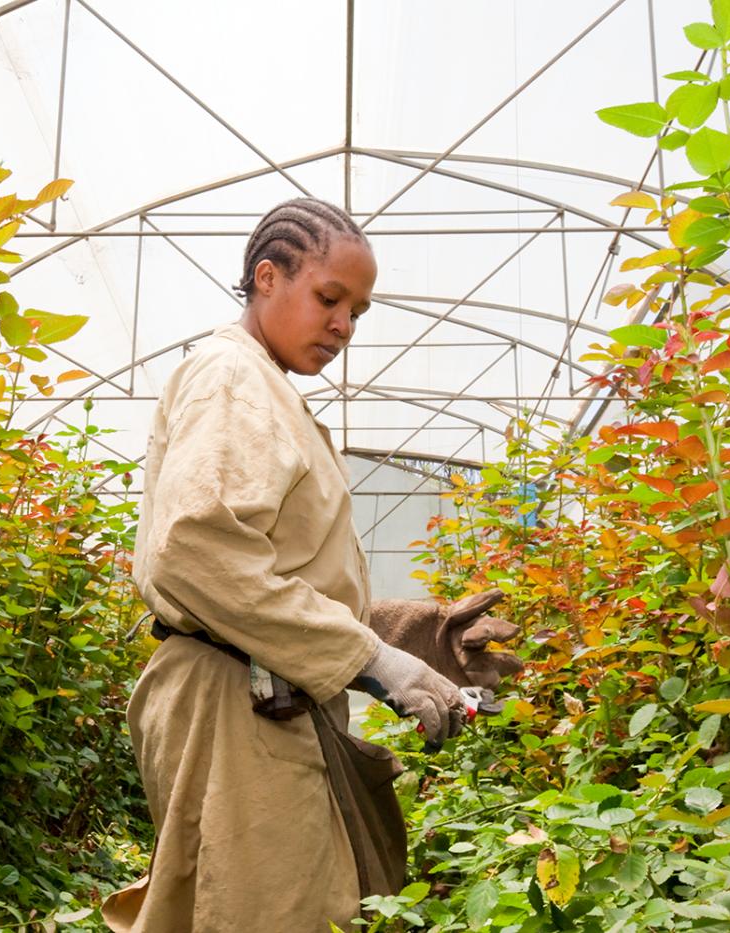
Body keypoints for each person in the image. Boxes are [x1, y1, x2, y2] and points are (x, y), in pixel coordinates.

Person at [101, 198, 522, 933]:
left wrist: (411, 639)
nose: (344, 326)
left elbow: (274, 578)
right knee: (262, 912)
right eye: (329, 298)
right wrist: (371, 658)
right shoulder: (232, 377)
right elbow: (195, 552)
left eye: (357, 310)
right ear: (267, 277)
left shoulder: (265, 387)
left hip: (261, 695)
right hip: (234, 703)